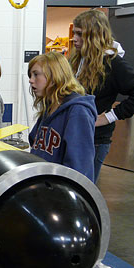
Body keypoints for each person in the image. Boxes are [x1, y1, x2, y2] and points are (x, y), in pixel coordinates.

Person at [70, 9, 134, 181]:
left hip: (94, 139)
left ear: (94, 36)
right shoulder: (77, 60)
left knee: (83, 190)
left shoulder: (112, 63)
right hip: (74, 134)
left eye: (80, 34)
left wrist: (108, 117)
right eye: (74, 33)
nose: (74, 38)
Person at [28, 51, 97, 182]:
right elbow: (34, 141)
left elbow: (79, 166)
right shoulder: (50, 106)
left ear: (54, 76)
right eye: (30, 75)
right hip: (44, 185)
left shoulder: (77, 110)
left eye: (36, 74)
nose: (31, 80)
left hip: (61, 191)